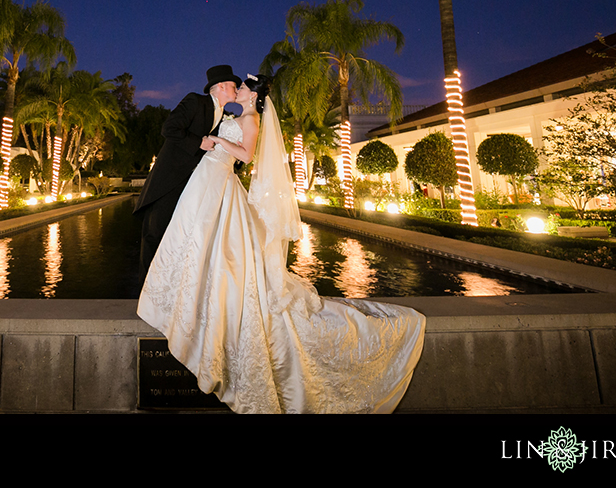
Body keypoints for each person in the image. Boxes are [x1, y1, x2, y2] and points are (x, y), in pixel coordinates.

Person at [137, 74, 425, 413]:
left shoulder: (251, 118)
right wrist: (211, 141)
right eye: (234, 85)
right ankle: (179, 296)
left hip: (218, 177)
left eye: (242, 87)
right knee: (196, 241)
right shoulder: (224, 114)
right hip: (205, 180)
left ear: (253, 96)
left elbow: (245, 154)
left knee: (216, 245)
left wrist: (216, 143)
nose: (237, 88)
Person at [134, 64, 240, 285]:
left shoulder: (225, 117)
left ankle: (172, 288)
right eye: (233, 86)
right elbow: (169, 129)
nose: (237, 90)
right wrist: (198, 142)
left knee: (180, 237)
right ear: (220, 86)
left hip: (197, 185)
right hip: (169, 180)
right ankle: (147, 289)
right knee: (155, 233)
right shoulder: (195, 101)